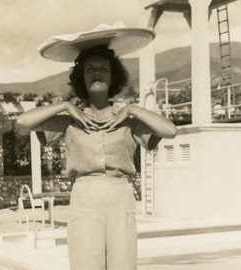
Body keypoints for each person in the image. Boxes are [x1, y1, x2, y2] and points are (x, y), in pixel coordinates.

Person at [16, 23, 177, 270]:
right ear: (82, 77)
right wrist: (65, 106)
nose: (97, 73)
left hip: (120, 196)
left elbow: (171, 130)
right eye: (90, 69)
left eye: (103, 68)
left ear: (113, 76)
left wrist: (133, 109)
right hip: (84, 199)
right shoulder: (69, 119)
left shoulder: (129, 119)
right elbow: (22, 123)